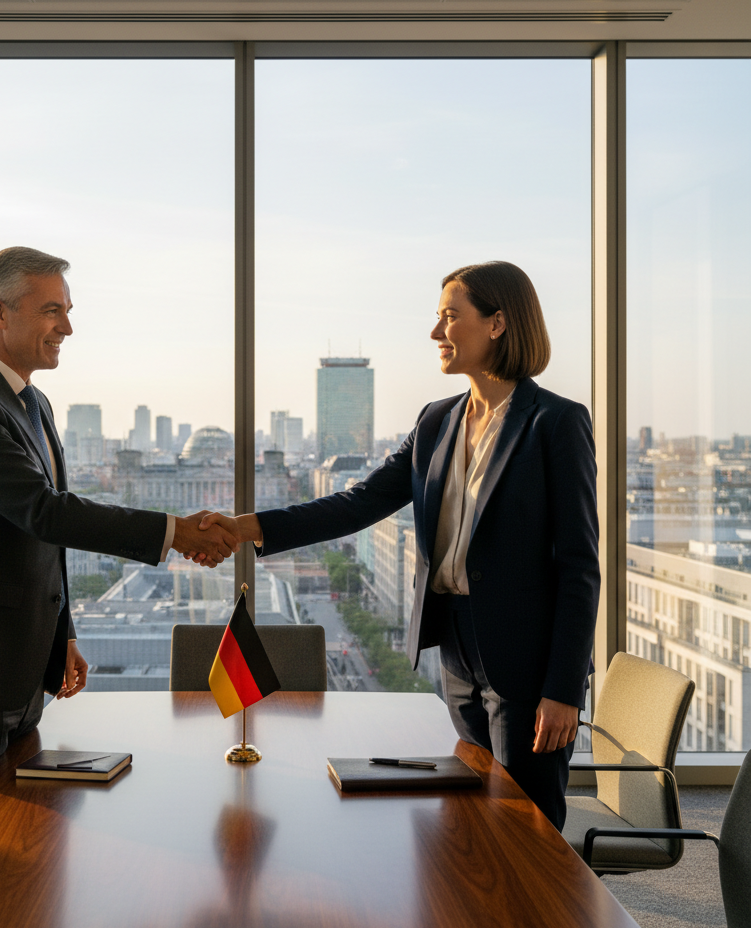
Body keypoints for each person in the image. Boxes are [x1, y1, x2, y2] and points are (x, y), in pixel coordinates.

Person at [200, 261, 598, 829]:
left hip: (528, 660)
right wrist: (251, 527)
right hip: (457, 647)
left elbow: (580, 568)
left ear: (498, 324)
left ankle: (542, 923)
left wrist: (564, 690)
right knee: (470, 814)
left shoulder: (555, 424)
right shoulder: (437, 421)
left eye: (449, 317)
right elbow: (358, 503)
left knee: (528, 827)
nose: (436, 333)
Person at [0, 246, 238, 834]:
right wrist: (175, 532)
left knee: (17, 830)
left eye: (68, 309)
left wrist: (63, 632)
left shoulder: (33, 402)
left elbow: (40, 542)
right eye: (52, 310)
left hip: (19, 659)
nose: (68, 327)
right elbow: (44, 513)